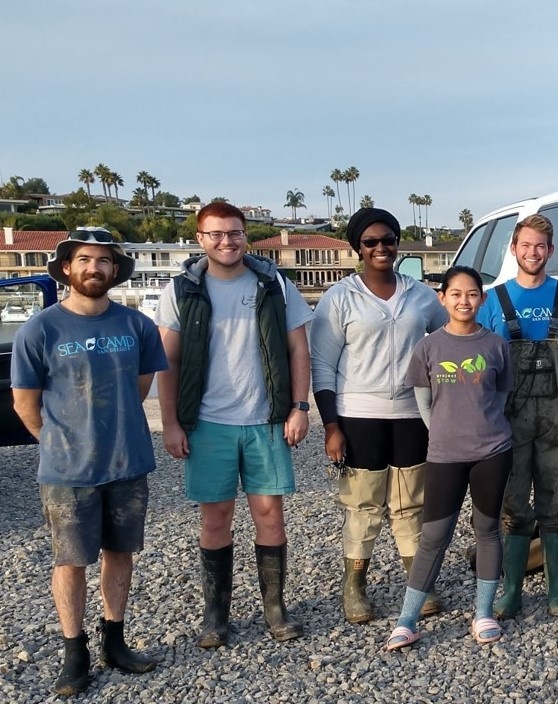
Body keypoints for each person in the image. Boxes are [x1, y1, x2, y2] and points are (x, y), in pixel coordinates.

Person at [11, 228, 168, 696]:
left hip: (128, 461)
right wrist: (60, 443)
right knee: (71, 560)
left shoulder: (135, 326)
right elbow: (25, 404)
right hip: (67, 471)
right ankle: (74, 652)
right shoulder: (40, 329)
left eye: (103, 261)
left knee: (120, 553)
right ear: (66, 268)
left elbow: (141, 388)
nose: (94, 268)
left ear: (115, 270)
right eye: (84, 259)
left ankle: (114, 640)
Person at [156, 201, 314, 647]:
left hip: (266, 420)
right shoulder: (181, 289)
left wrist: (300, 407)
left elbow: (298, 350)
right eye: (216, 234)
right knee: (216, 517)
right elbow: (168, 360)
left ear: (246, 236)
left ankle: (275, 609)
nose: (227, 242)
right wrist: (171, 423)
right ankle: (215, 615)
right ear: (200, 239)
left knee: (270, 514)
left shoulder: (275, 284)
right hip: (207, 423)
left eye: (235, 233)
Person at [310, 207, 447, 624]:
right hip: (358, 414)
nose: (381, 248)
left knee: (409, 503)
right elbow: (322, 364)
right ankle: (354, 586)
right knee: (363, 503)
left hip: (411, 414)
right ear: (358, 248)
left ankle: (417, 583)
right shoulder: (339, 297)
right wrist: (331, 425)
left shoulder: (421, 295)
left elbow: (446, 342)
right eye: (370, 242)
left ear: (398, 242)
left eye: (388, 239)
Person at [477, 214, 558, 619]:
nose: (533, 252)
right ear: (513, 249)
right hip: (506, 422)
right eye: (526, 245)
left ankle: (555, 591)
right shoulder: (493, 300)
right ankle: (512, 592)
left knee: (556, 503)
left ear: (550, 251)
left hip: (555, 420)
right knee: (513, 506)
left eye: (541, 246)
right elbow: (472, 356)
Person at [385, 266, 515, 650]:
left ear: (482, 299)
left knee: (487, 529)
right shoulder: (428, 347)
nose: (464, 301)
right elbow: (423, 402)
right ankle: (408, 618)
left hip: (492, 451)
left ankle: (484, 612)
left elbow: (501, 397)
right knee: (434, 536)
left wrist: (481, 428)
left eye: (472, 294)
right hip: (444, 454)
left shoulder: (495, 345)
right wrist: (443, 430)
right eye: (455, 294)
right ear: (442, 299)